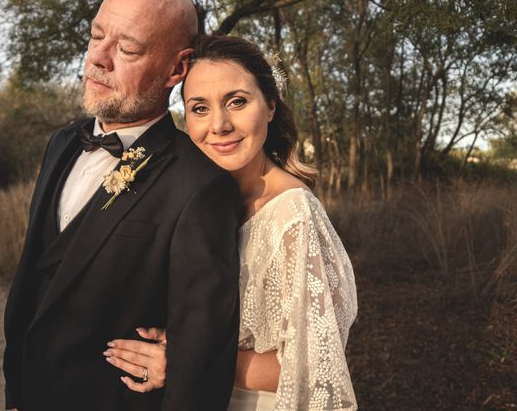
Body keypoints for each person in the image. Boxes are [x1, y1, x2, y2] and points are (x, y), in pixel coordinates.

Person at [2, 0, 242, 411]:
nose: (97, 58)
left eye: (127, 50)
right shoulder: (61, 143)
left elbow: (201, 362)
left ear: (176, 69)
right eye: (96, 36)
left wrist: (180, 361)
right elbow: (32, 284)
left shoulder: (203, 188)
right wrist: (15, 393)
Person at [104, 35, 358, 410]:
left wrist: (185, 361)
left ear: (270, 105)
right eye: (200, 108)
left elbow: (313, 365)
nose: (219, 125)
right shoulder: (196, 202)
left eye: (236, 102)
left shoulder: (292, 214)